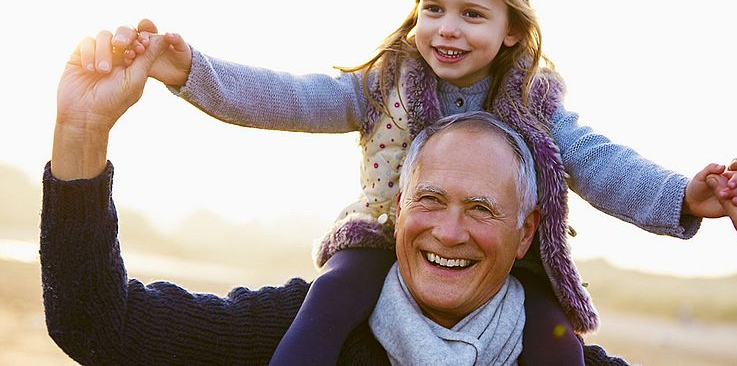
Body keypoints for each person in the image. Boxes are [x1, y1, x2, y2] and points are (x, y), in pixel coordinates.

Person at [101, 0, 737, 364]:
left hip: (507, 261)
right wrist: (192, 72)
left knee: (560, 349)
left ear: (512, 29)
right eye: (432, 9)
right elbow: (292, 99)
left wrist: (685, 196)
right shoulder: (385, 85)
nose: (446, 28)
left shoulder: (534, 103)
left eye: (471, 14)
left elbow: (605, 167)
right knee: (324, 310)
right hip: (383, 238)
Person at [43, 35, 646, 363]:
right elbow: (99, 325)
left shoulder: (557, 358)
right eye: (430, 199)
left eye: (482, 209)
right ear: (398, 207)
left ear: (526, 232)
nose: (449, 231)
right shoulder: (304, 329)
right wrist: (81, 134)